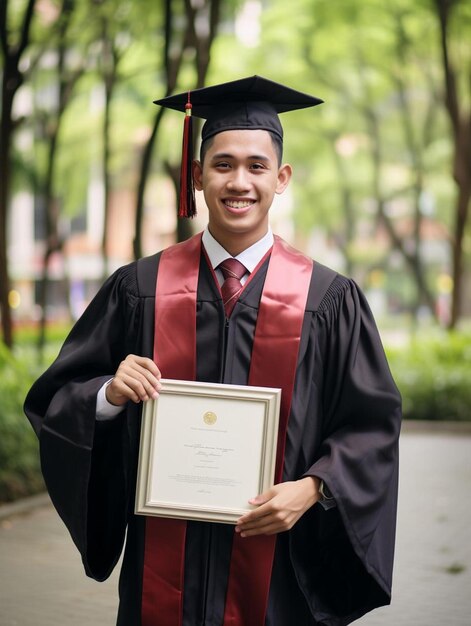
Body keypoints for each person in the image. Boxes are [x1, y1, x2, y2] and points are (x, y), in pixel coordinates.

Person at [24, 76, 401, 626]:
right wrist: (106, 394)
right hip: (161, 573)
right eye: (222, 165)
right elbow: (58, 398)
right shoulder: (140, 289)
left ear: (282, 177)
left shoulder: (327, 301)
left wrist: (315, 488)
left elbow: (372, 425)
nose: (239, 182)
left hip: (276, 582)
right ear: (197, 176)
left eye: (256, 166)